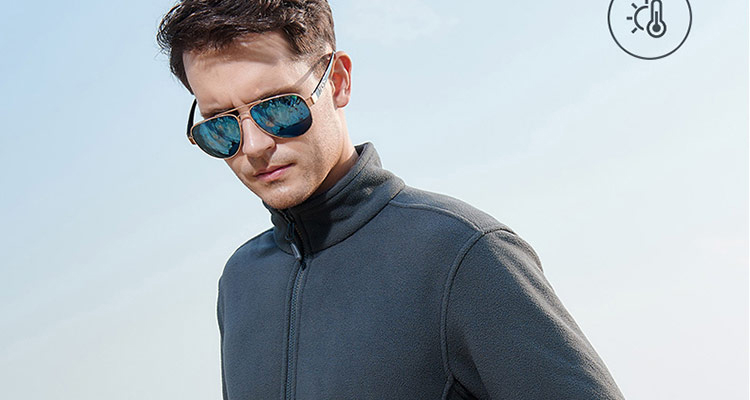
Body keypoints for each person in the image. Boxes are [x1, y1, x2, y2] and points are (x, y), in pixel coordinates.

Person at [157, 1, 625, 399]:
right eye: (221, 126)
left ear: (337, 81)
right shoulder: (240, 282)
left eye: (278, 107)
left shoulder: (463, 254)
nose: (255, 146)